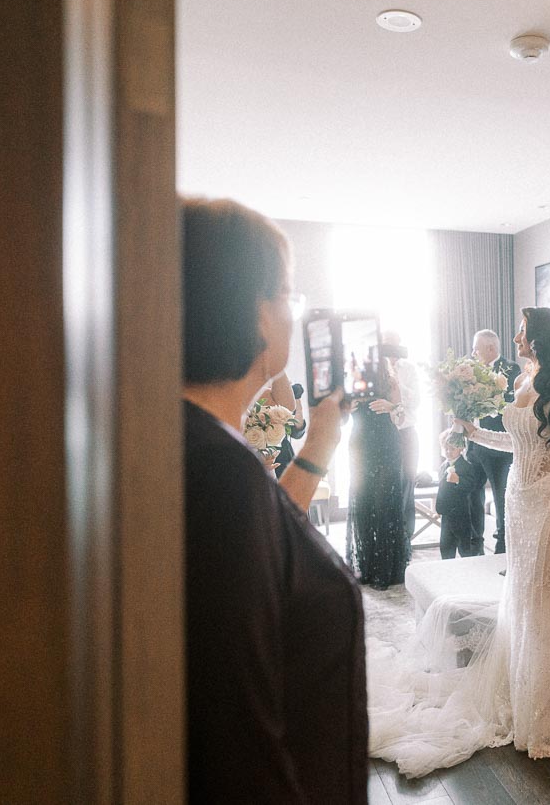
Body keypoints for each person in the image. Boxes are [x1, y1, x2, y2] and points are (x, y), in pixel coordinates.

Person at [367, 307, 550, 777]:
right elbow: (516, 442)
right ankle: (520, 692)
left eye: (522, 331)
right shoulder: (525, 379)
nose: (516, 337)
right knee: (522, 594)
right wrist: (473, 432)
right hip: (521, 498)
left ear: (538, 335)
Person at [181, 196, 366, 803]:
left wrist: (319, 443)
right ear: (252, 311)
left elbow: (269, 543)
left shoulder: (200, 444)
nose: (292, 313)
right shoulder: (217, 474)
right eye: (285, 294)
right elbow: (237, 734)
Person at [346, 357, 408, 590]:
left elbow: (403, 418)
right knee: (362, 505)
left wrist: (393, 407)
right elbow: (339, 419)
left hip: (386, 447)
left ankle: (385, 570)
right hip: (359, 448)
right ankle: (366, 566)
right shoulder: (351, 384)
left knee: (383, 506)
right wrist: (347, 409)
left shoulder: (390, 383)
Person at [464, 328, 521, 554]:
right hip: (475, 445)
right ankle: (474, 544)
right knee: (472, 494)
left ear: (490, 348)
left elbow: (508, 407)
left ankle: (502, 546)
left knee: (501, 498)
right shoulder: (470, 371)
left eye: (476, 348)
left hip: (498, 447)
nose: (472, 353)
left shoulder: (511, 370)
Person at [368, 330, 423, 548]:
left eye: (393, 342)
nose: (389, 346)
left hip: (407, 432)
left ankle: (405, 539)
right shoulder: (372, 368)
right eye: (385, 342)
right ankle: (383, 540)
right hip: (381, 434)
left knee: (407, 484)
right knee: (382, 487)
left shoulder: (408, 368)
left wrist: (396, 385)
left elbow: (416, 400)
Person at [434, 429, 481, 559]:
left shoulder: (466, 466)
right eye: (446, 449)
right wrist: (439, 507)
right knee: (446, 545)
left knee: (464, 545)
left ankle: (466, 566)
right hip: (446, 513)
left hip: (461, 514)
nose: (448, 452)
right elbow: (442, 489)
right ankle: (447, 567)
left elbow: (472, 485)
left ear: (461, 448)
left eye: (452, 449)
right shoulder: (443, 466)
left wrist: (458, 480)